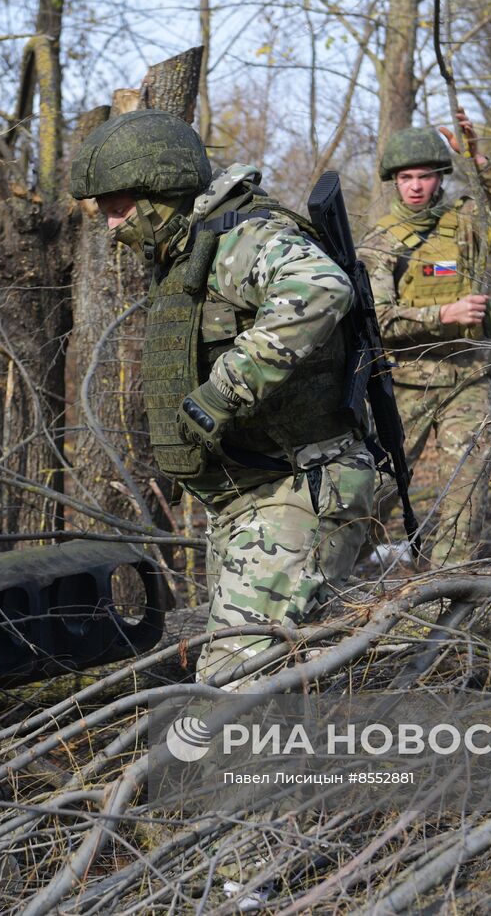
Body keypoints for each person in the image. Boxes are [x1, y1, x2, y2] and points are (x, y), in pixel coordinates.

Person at [70, 109, 390, 688]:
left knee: (237, 688)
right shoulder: (193, 249)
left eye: (118, 206)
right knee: (275, 679)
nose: (111, 225)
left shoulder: (242, 238)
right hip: (251, 496)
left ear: (159, 194)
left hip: (299, 489)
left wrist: (225, 390)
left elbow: (319, 286)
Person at [358, 110, 491, 566]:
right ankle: (331, 574)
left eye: (425, 177)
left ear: (440, 179)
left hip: (469, 375)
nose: (415, 186)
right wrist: (444, 313)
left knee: (467, 487)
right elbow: (380, 320)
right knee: (380, 486)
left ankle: (449, 589)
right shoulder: (380, 243)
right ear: (394, 181)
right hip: (407, 382)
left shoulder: (466, 224)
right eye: (406, 177)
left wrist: (477, 156)